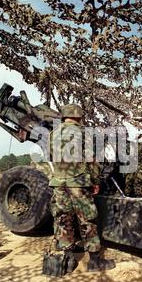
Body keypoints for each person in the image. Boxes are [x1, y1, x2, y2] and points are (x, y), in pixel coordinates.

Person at [48, 104, 115, 273]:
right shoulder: (83, 134)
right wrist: (95, 181)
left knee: (63, 219)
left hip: (59, 184)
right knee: (87, 220)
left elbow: (51, 157)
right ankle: (94, 261)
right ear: (79, 116)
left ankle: (68, 261)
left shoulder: (52, 135)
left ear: (64, 117)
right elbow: (91, 161)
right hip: (78, 184)